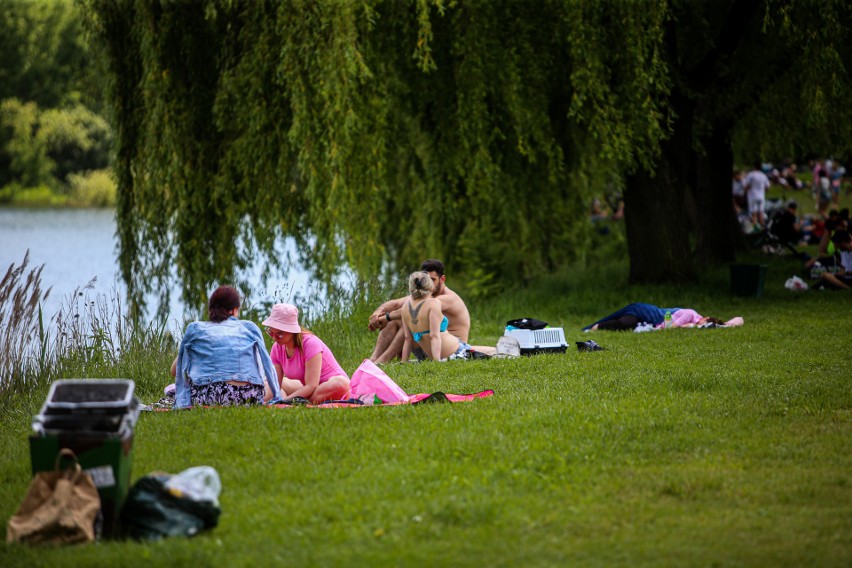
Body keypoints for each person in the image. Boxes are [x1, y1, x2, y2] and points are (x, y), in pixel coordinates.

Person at [174, 285, 282, 409]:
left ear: (211, 309)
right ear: (235, 310)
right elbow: (266, 364)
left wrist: (181, 401)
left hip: (208, 396)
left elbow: (179, 369)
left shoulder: (195, 329)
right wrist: (276, 394)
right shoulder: (249, 327)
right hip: (247, 396)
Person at [368, 259, 471, 363]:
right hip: (427, 346)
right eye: (427, 280)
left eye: (433, 279)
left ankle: (381, 362)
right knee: (397, 321)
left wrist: (384, 318)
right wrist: (377, 313)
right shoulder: (425, 295)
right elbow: (395, 304)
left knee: (409, 321)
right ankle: (374, 359)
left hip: (449, 349)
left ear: (442, 279)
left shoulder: (447, 298)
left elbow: (408, 312)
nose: (429, 284)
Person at [262, 303, 350, 403]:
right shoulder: (277, 348)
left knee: (342, 384)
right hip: (309, 390)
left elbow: (311, 385)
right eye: (271, 333)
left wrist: (285, 400)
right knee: (267, 382)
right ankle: (295, 400)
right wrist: (274, 393)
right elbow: (276, 384)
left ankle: (292, 401)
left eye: (279, 335)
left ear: (292, 331)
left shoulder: (310, 344)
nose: (274, 338)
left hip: (327, 388)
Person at [399, 271, 495, 361]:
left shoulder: (405, 308)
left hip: (447, 351)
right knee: (495, 351)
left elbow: (408, 339)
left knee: (491, 350)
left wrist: (404, 361)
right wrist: (437, 362)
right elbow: (434, 336)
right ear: (430, 287)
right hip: (457, 352)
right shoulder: (433, 303)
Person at [583, 303, 740, 331]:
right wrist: (693, 326)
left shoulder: (695, 320)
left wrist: (724, 324)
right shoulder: (690, 314)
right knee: (623, 320)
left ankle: (595, 327)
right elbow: (670, 328)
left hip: (645, 318)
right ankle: (593, 327)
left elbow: (739, 319)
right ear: (704, 317)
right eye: (704, 322)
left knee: (626, 323)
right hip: (644, 311)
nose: (701, 324)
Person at [743, 162, 770, 228]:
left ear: (754, 167)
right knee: (761, 213)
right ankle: (763, 227)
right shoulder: (763, 175)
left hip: (752, 196)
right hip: (761, 196)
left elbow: (747, 185)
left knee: (754, 214)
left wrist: (745, 192)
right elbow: (767, 188)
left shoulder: (751, 175)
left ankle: (755, 228)